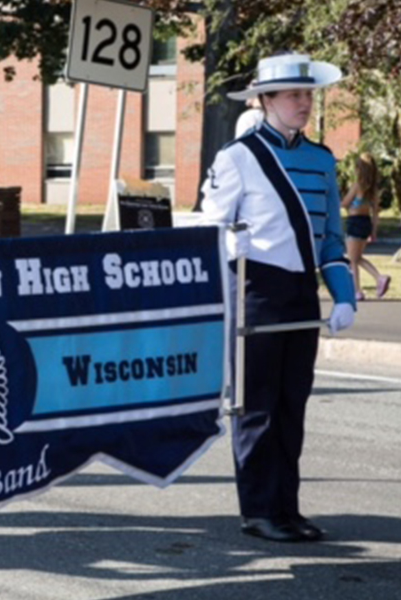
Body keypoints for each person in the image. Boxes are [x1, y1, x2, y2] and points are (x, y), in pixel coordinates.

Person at [201, 53, 357, 543]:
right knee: (257, 409)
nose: (304, 103)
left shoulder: (322, 160)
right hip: (256, 290)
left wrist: (344, 296)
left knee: (293, 407)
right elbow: (211, 228)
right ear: (265, 100)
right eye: (293, 94)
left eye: (308, 94)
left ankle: (287, 508)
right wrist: (231, 244)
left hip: (300, 295)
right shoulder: (237, 157)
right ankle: (259, 511)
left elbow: (330, 237)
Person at [342, 153, 391, 299]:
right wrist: (374, 231)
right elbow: (375, 212)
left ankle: (358, 290)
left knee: (352, 259)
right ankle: (379, 278)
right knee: (357, 258)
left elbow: (345, 203)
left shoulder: (357, 185)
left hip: (354, 221)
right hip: (366, 222)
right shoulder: (373, 190)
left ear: (359, 169)